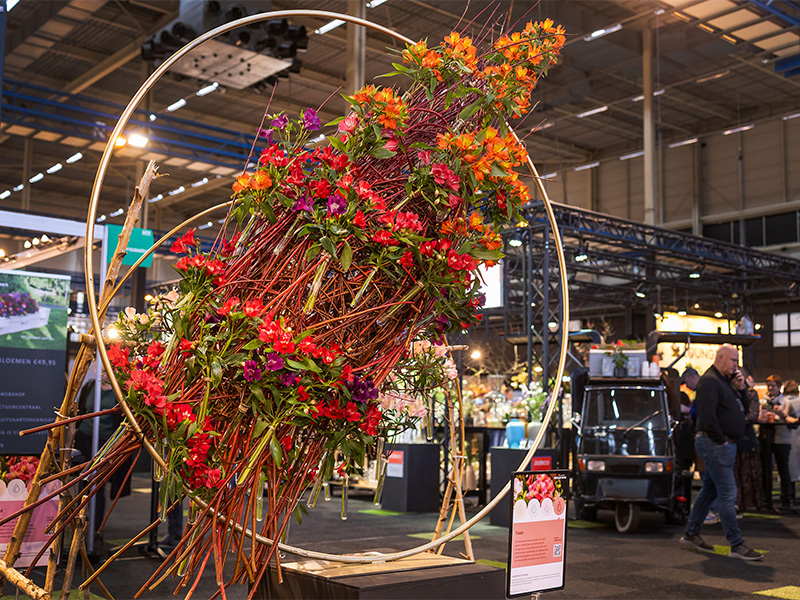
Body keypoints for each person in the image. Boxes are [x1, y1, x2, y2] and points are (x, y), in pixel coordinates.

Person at [680, 345, 762, 560]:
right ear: (721, 358)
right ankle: (736, 544)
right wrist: (723, 442)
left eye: (737, 361)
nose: (736, 365)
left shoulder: (725, 382)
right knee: (727, 494)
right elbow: (707, 419)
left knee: (710, 490)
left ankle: (691, 533)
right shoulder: (710, 382)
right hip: (715, 443)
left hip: (720, 443)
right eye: (733, 360)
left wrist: (741, 388)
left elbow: (743, 409)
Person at [759, 375, 788, 512]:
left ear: (779, 387)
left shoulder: (784, 401)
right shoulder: (763, 401)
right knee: (765, 469)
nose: (770, 388)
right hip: (766, 437)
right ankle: (766, 499)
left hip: (781, 437)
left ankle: (786, 499)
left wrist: (779, 415)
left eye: (773, 386)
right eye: (768, 385)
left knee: (783, 468)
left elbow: (791, 419)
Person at [734, 373, 763, 513]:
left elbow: (753, 414)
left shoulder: (750, 394)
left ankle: (747, 504)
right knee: (736, 473)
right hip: (734, 437)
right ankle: (737, 504)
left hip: (746, 437)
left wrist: (738, 422)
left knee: (747, 472)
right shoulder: (730, 393)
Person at [770, 380, 799, 511]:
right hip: (795, 437)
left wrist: (782, 415)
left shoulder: (785, 401)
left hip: (785, 437)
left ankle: (788, 497)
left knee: (787, 469)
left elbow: (787, 420)